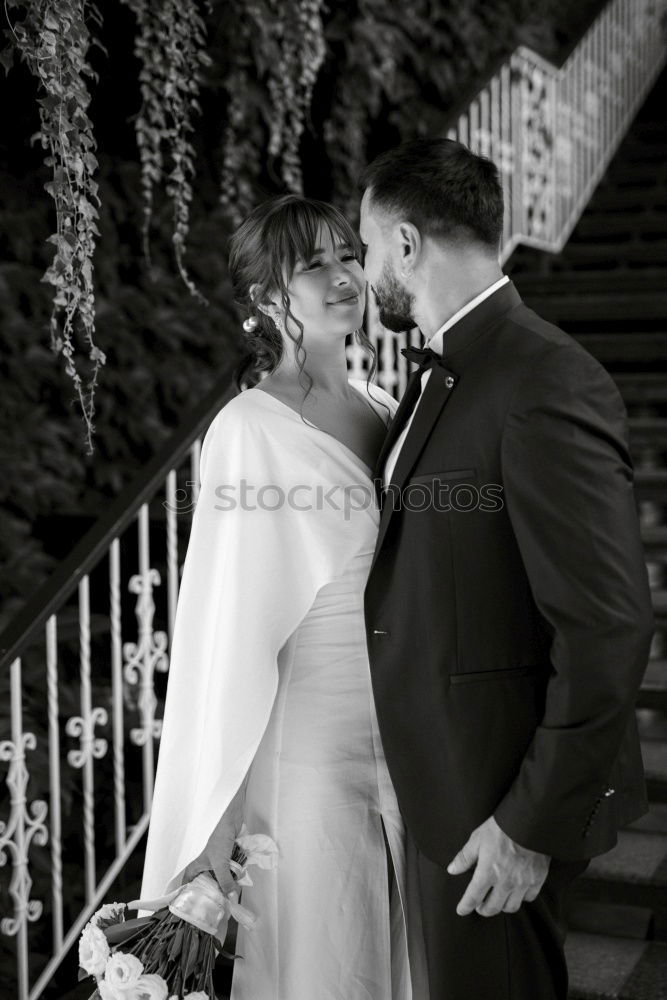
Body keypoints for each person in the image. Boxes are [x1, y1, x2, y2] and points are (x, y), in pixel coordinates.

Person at [358, 137, 654, 1000]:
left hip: (495, 802)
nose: (365, 266)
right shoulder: (449, 371)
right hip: (446, 780)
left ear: (406, 246)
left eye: (368, 243)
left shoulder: (540, 377)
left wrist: (527, 824)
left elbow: (607, 622)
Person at [139, 194, 430, 999]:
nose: (344, 276)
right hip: (308, 746)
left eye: (347, 254)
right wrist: (218, 822)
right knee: (329, 963)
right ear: (269, 298)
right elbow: (229, 633)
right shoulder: (248, 430)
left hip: (407, 732)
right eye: (315, 265)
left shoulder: (383, 404)